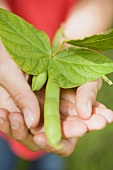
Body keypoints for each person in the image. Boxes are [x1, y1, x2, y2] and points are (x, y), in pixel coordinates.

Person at [0, 0, 113, 169]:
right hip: (6, 102)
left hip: (66, 35)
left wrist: (86, 31)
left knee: (50, 154)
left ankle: (51, 144)